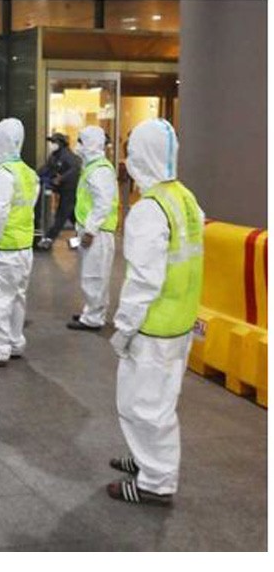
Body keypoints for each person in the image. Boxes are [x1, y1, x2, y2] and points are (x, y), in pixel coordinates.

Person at [106, 118, 204, 507]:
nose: (127, 158)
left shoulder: (149, 210)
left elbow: (144, 280)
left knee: (143, 407)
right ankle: (146, 458)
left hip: (153, 326)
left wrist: (124, 327)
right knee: (160, 401)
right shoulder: (185, 198)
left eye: (131, 150)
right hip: (179, 322)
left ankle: (156, 483)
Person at [0, 118, 39, 368]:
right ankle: (14, 342)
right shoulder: (29, 174)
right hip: (23, 249)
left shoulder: (0, 176)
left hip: (2, 250)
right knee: (16, 300)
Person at [68, 126, 120, 331]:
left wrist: (90, 230)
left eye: (81, 141)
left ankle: (93, 319)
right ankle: (92, 311)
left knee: (94, 277)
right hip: (94, 230)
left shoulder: (100, 170)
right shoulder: (92, 167)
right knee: (93, 275)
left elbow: (102, 204)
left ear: (90, 144)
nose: (78, 145)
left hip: (98, 233)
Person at [36, 132, 81, 250]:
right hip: (62, 189)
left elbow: (75, 169)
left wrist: (61, 178)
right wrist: (35, 175)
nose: (52, 144)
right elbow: (47, 168)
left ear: (61, 143)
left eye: (54, 142)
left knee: (61, 215)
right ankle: (82, 236)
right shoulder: (54, 155)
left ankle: (48, 239)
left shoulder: (67, 155)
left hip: (70, 189)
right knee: (72, 215)